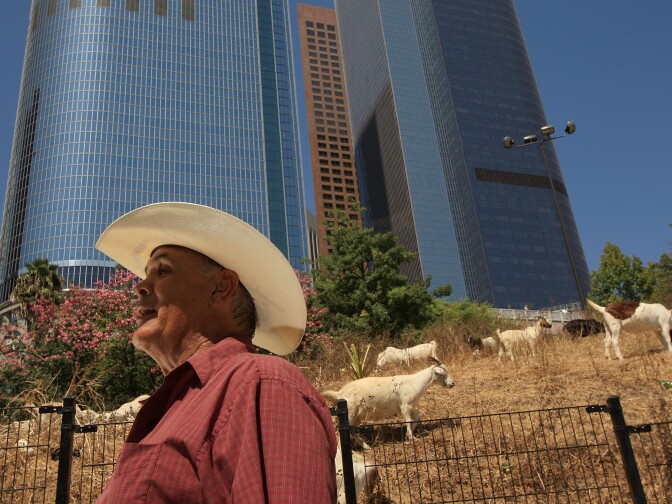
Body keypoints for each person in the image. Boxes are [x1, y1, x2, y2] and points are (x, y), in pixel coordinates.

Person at [94, 202, 337, 503]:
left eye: (163, 270)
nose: (140, 286)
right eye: (146, 274)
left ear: (222, 288)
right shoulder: (181, 404)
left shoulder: (262, 383)